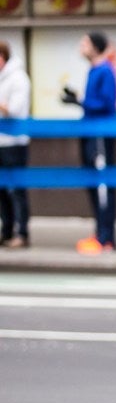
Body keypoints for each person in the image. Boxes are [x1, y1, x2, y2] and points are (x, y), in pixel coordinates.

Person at [61, 31, 116, 254]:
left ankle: (106, 238)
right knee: (94, 184)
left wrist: (80, 101)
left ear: (95, 46)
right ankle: (101, 233)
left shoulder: (105, 71)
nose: (81, 46)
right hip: (91, 133)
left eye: (85, 42)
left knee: (103, 185)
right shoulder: (95, 70)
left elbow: (105, 104)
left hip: (100, 136)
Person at [0, 40, 30, 249]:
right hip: (0, 142)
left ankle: (22, 233)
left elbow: (15, 110)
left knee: (16, 189)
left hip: (14, 143)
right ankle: (6, 230)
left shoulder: (18, 78)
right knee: (1, 190)